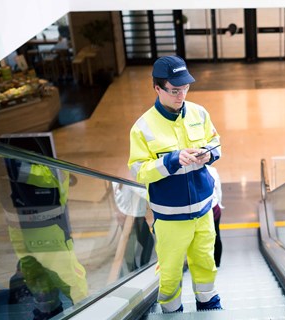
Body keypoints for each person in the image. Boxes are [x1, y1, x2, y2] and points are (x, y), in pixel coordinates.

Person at [128, 55, 222, 313]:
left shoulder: (199, 113)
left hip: (203, 211)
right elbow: (138, 171)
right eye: (174, 90)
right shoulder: (143, 127)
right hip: (170, 219)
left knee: (205, 262)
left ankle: (210, 305)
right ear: (157, 88)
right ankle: (172, 312)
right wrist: (170, 161)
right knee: (169, 273)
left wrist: (209, 154)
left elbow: (216, 142)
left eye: (185, 88)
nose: (181, 95)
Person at [0, 159, 88, 320]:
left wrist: (16, 169)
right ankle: (48, 311)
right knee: (34, 276)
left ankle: (89, 311)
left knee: (67, 278)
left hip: (47, 227)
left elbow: (58, 175)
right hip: (17, 227)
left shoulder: (40, 156)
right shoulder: (5, 155)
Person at [112, 182, 155, 271]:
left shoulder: (122, 174)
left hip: (132, 213)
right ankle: (135, 270)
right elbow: (141, 190)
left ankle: (140, 268)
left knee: (142, 243)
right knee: (133, 245)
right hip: (130, 214)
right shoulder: (128, 174)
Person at [206, 165, 224, 267]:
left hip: (202, 209)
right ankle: (217, 263)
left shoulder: (189, 169)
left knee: (203, 237)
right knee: (216, 234)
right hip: (214, 207)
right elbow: (218, 190)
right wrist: (219, 203)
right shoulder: (212, 170)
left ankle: (207, 263)